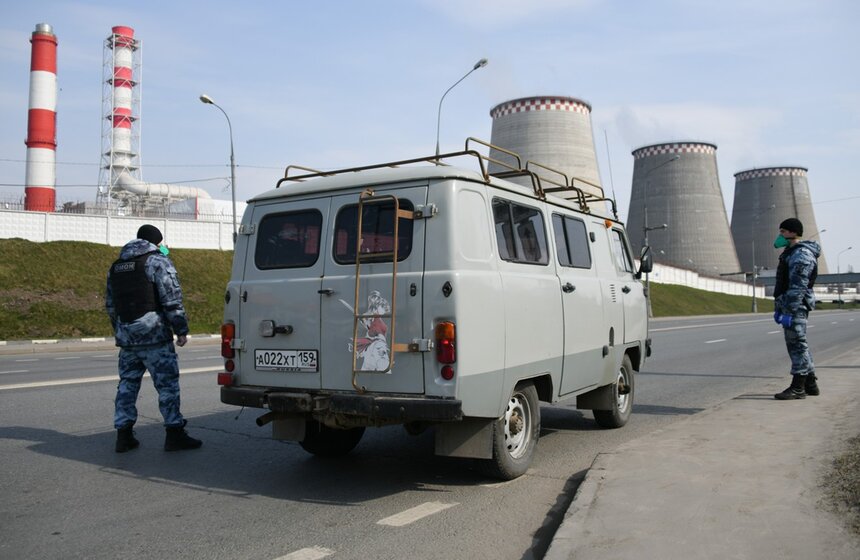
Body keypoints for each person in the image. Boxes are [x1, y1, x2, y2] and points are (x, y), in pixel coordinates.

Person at [105, 224, 202, 452]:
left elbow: (111, 305)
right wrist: (181, 330)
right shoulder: (157, 261)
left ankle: (124, 435)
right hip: (154, 336)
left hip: (127, 337)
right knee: (167, 386)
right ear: (157, 242)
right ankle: (174, 434)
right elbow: (171, 299)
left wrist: (120, 331)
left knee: (127, 385)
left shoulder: (116, 266)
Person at [772, 217, 821, 400]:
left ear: (792, 233)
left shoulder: (802, 255)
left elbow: (798, 286)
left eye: (783, 232)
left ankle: (798, 387)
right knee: (800, 343)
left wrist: (789, 311)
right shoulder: (791, 252)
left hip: (797, 306)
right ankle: (810, 383)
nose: (780, 235)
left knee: (797, 345)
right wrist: (779, 307)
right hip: (791, 305)